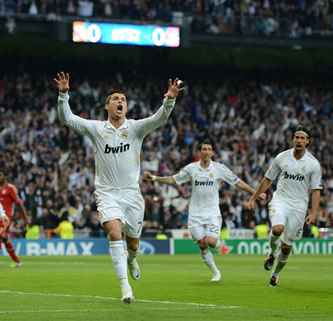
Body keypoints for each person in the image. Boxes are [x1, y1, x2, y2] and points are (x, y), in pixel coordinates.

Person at [54, 71, 184, 304]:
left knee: (133, 243)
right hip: (107, 192)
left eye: (123, 99)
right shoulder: (97, 129)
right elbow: (68, 119)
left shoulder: (135, 128)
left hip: (132, 194)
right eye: (115, 99)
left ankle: (132, 258)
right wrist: (63, 95)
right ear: (107, 106)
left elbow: (159, 118)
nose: (120, 102)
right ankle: (125, 289)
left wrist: (170, 99)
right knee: (114, 233)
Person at [144, 141, 265, 281]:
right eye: (204, 149)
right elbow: (174, 180)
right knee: (202, 244)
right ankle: (215, 272)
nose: (207, 152)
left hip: (212, 212)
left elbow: (237, 182)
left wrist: (255, 193)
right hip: (195, 214)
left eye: (209, 149)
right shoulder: (191, 168)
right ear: (199, 152)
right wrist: (154, 178)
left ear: (212, 153)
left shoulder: (219, 168)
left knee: (212, 242)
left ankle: (219, 246)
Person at [246, 126, 322, 287]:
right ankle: (272, 253)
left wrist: (314, 213)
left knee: (286, 247)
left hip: (299, 206)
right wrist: (253, 197)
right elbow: (268, 179)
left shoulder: (313, 164)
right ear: (293, 140)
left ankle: (275, 275)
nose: (299, 140)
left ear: (308, 141)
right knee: (277, 229)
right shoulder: (282, 158)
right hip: (280, 200)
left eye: (302, 138)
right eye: (297, 137)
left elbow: (316, 191)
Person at [0, 168, 31, 268]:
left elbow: (19, 203)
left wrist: (26, 217)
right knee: (5, 239)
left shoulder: (11, 188)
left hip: (6, 218)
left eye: (1, 175)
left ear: (5, 177)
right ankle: (17, 261)